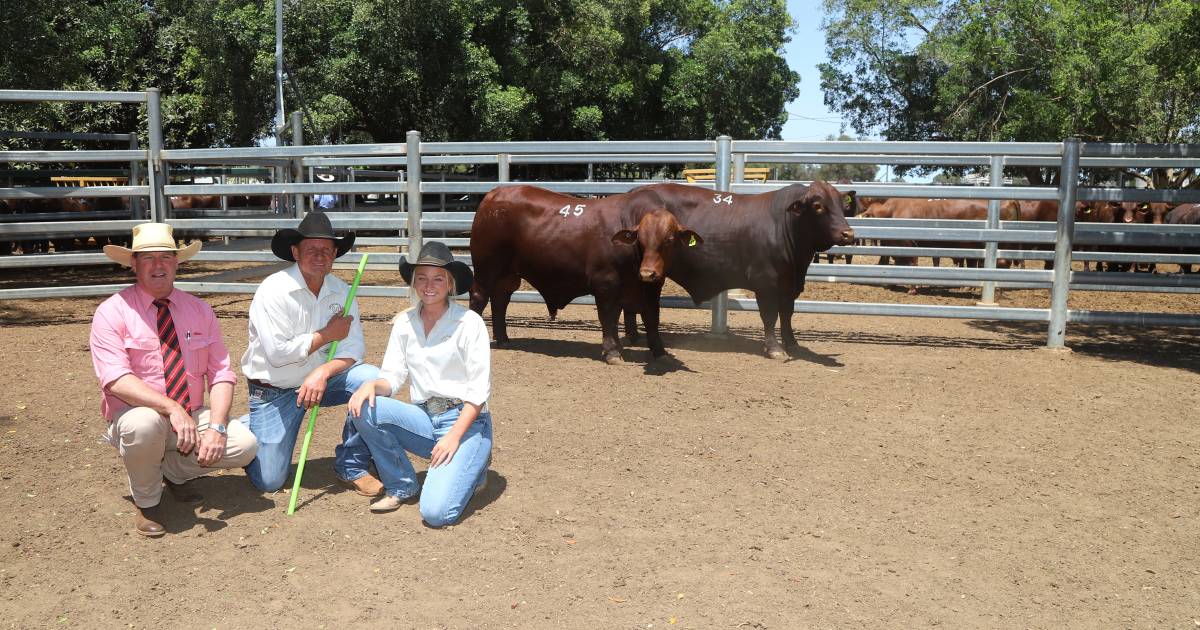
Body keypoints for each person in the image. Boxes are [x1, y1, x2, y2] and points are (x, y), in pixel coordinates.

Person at [89, 223, 258, 537]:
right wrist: (171, 408)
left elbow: (221, 373)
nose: (158, 265)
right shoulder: (112, 312)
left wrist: (218, 427)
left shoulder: (199, 310)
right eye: (148, 258)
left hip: (191, 414)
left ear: (176, 262)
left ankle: (169, 472)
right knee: (143, 425)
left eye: (165, 257)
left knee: (244, 445)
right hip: (139, 414)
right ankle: (147, 501)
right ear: (134, 264)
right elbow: (115, 379)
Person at [348, 241, 493, 526]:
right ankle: (402, 484)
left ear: (450, 284)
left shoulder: (469, 323)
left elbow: (477, 392)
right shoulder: (404, 322)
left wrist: (453, 436)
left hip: (464, 420)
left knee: (436, 514)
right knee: (365, 407)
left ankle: (474, 461)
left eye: (438, 278)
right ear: (414, 282)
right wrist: (371, 386)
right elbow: (391, 377)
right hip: (425, 417)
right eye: (422, 278)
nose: (430, 285)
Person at [241, 211, 383, 496]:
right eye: (311, 250)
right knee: (269, 481)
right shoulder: (273, 291)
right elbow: (278, 354)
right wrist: (326, 335)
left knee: (372, 380)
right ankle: (247, 429)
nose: (320, 256)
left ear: (334, 254)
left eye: (326, 250)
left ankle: (351, 463)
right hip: (275, 390)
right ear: (295, 252)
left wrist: (322, 372)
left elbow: (354, 350)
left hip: (322, 382)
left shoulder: (343, 291)